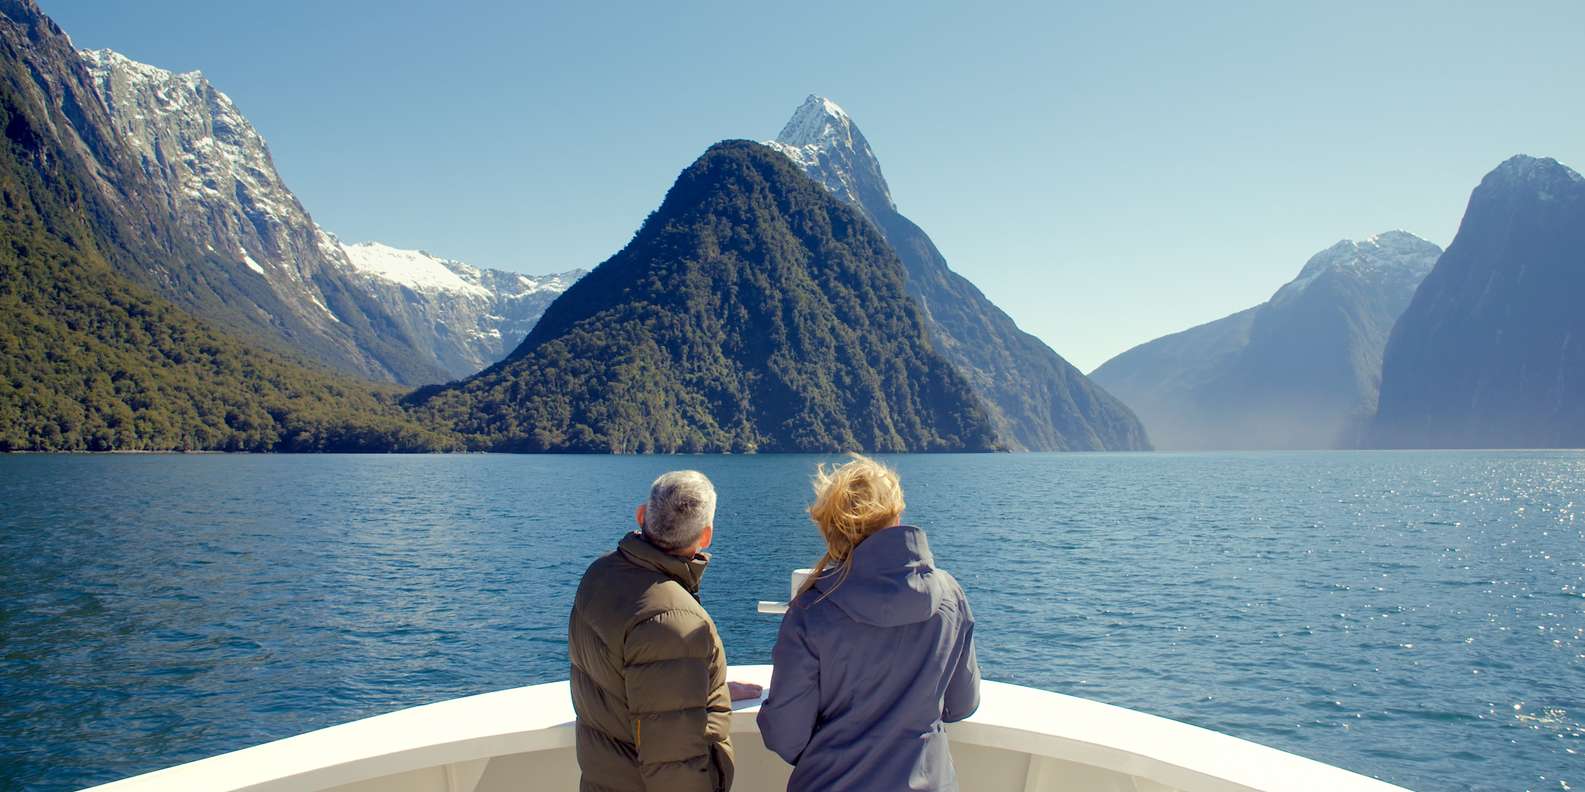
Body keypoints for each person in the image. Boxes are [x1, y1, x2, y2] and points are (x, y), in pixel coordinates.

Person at [757, 454, 981, 791]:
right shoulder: (951, 594)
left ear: (832, 529)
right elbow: (962, 703)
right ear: (897, 515)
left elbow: (786, 735)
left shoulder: (813, 608)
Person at [568, 470, 760, 792]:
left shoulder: (599, 574)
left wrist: (706, 688)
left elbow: (634, 682)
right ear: (706, 536)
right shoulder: (674, 623)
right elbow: (675, 768)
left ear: (642, 515)